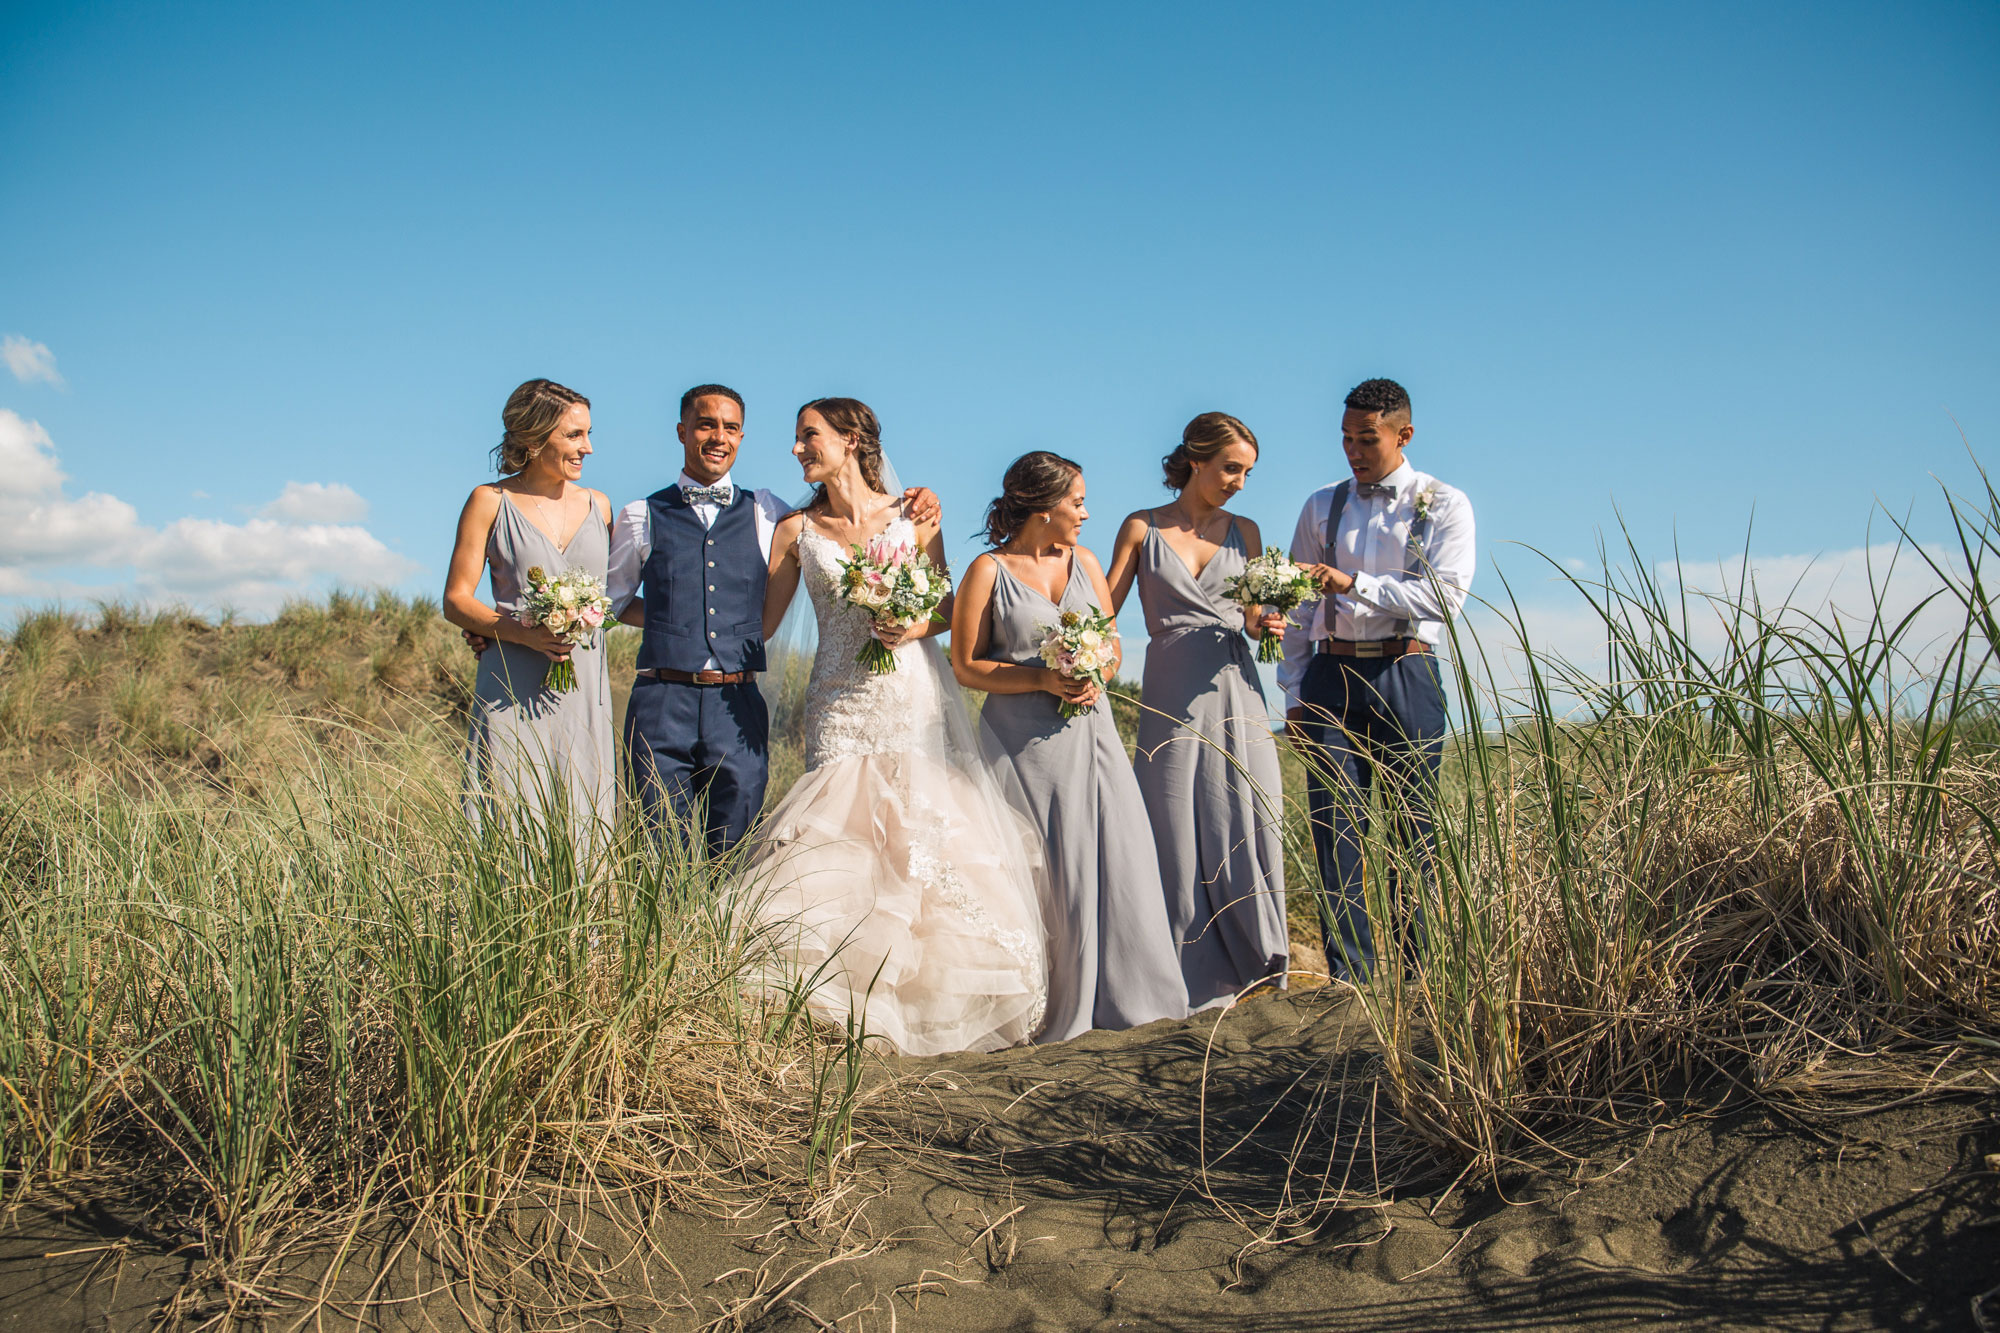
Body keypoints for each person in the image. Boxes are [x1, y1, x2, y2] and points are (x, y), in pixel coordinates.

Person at [732, 398, 1049, 1055]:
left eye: (808, 437)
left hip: (909, 693)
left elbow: (944, 606)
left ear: (850, 440)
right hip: (838, 700)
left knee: (917, 829)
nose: (796, 449)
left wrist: (911, 622)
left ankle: (926, 999)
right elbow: (758, 626)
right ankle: (835, 993)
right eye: (796, 439)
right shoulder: (795, 531)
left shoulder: (916, 513)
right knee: (839, 828)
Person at [601, 384, 939, 853]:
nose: (720, 436)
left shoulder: (768, 512)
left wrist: (921, 498)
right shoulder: (641, 515)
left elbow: (940, 601)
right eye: (706, 424)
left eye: (732, 427)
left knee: (737, 846)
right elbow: (613, 604)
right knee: (656, 845)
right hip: (661, 698)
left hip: (738, 703)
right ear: (681, 431)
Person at [952, 451, 1188, 1042]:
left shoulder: (1084, 561)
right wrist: (1039, 676)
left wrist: (1094, 668)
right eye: (1076, 501)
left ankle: (1134, 996)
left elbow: (1109, 644)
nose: (1085, 512)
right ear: (1041, 505)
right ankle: (1050, 1004)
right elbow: (966, 666)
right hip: (1022, 746)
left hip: (1093, 734)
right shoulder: (988, 571)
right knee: (1046, 872)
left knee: (1119, 855)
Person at [1279, 378, 1475, 982]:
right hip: (1330, 674)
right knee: (1334, 824)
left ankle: (1419, 976)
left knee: (1412, 825)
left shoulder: (1445, 503)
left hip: (1407, 670)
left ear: (1403, 435)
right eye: (1345, 439)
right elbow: (1298, 602)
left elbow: (1446, 596)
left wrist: (1355, 584)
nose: (1353, 451)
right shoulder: (1320, 505)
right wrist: (1292, 689)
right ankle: (1351, 978)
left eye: (1366, 439)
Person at [1104, 412, 1289, 1011]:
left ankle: (1261, 962)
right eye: (1231, 468)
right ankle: (1174, 971)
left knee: (1246, 813)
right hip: (1170, 686)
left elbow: (1257, 616)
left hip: (1236, 685)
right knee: (1173, 820)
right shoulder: (1140, 527)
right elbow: (1101, 611)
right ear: (1195, 458)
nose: (1239, 481)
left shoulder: (1248, 531)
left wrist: (1271, 622)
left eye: (1247, 472)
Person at [444, 378, 617, 853]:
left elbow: (617, 594)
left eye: (587, 433)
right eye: (574, 435)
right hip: (511, 684)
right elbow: (456, 599)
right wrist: (519, 633)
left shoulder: (599, 505)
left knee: (584, 817)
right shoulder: (490, 501)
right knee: (509, 812)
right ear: (534, 437)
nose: (588, 447)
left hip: (583, 688)